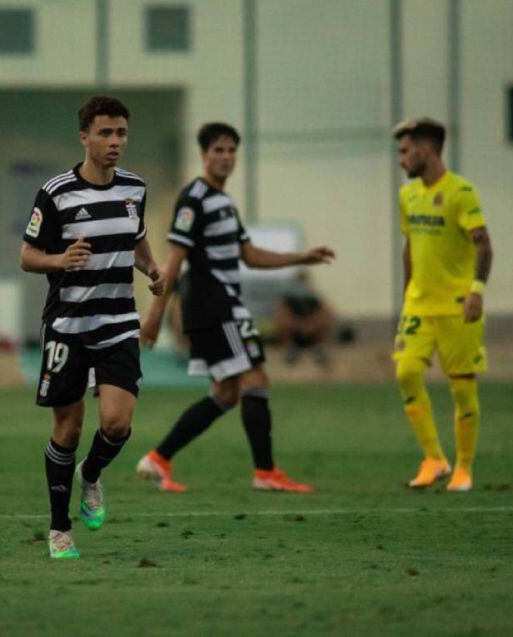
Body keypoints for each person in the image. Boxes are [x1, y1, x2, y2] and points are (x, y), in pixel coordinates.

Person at [138, 122, 334, 493]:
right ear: (204, 154)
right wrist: (155, 315)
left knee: (227, 393)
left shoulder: (225, 203)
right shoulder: (193, 198)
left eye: (231, 151)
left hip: (225, 304)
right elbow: (175, 260)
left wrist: (300, 257)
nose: (226, 158)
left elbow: (249, 254)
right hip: (214, 305)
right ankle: (265, 473)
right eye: (218, 150)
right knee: (256, 380)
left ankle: (158, 459)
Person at [19, 96, 163, 559]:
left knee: (118, 424)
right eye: (105, 133)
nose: (115, 142)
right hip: (68, 324)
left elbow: (136, 239)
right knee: (68, 427)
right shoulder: (57, 192)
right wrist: (60, 259)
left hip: (119, 320)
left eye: (121, 133)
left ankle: (93, 475)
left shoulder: (134, 189)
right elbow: (27, 255)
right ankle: (60, 529)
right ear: (85, 137)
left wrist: (153, 270)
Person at [392, 118, 494, 492]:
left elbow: (484, 244)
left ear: (426, 149)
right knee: (405, 373)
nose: (401, 160)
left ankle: (464, 468)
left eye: (405, 152)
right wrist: (406, 298)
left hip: (457, 306)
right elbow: (409, 247)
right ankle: (434, 458)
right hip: (420, 306)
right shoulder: (407, 196)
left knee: (462, 388)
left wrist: (477, 290)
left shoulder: (461, 192)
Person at [275, 271, 335, 367]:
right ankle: (290, 349)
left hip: (313, 333)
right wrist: (298, 325)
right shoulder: (288, 300)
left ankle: (319, 349)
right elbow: (280, 317)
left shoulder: (314, 299)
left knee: (324, 321)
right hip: (295, 333)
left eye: (303, 281)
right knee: (283, 323)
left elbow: (328, 314)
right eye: (299, 282)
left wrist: (311, 325)